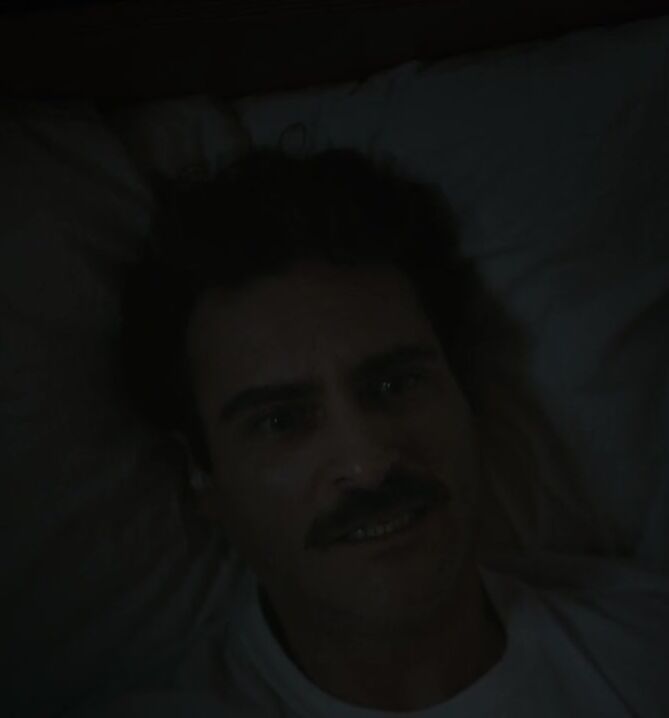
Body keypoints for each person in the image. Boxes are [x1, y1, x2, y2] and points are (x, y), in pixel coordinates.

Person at [90, 146, 668, 717]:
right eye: (280, 421)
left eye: (394, 385)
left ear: (463, 394)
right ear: (203, 476)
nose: (368, 464)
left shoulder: (644, 651)